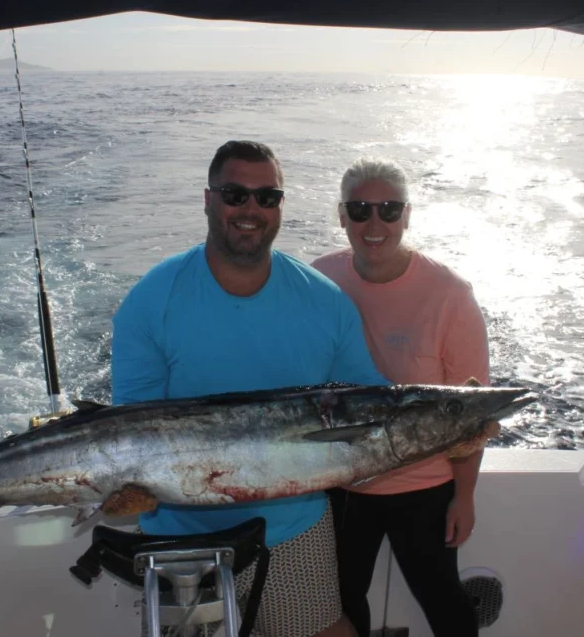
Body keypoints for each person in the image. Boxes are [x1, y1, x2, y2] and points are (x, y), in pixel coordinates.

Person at [110, 141, 389, 637]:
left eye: (268, 197)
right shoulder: (152, 299)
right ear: (207, 199)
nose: (251, 210)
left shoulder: (326, 303)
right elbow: (133, 428)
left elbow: (372, 414)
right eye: (235, 194)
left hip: (291, 530)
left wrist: (451, 427)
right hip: (181, 534)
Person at [312, 157, 490, 637]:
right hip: (343, 484)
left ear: (407, 216)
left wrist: (465, 495)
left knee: (443, 600)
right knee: (343, 601)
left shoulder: (450, 294)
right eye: (360, 209)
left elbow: (471, 412)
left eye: (389, 210)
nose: (375, 223)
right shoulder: (318, 280)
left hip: (424, 488)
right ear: (341, 215)